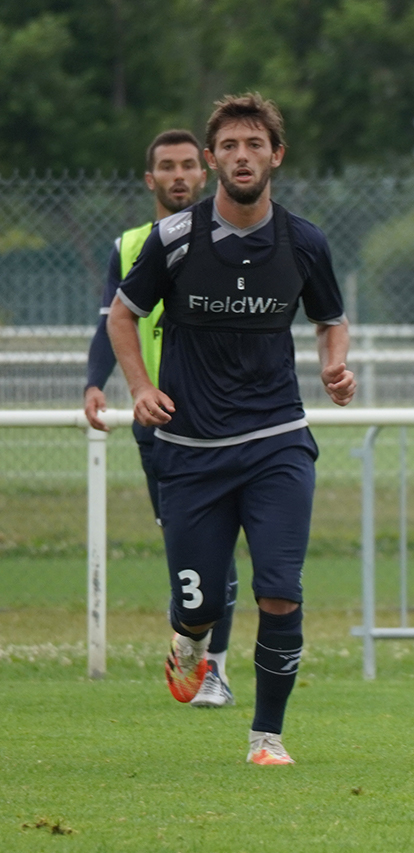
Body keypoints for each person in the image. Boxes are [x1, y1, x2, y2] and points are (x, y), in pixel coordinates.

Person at [108, 93, 356, 765]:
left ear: (276, 156)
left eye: (255, 145)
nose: (242, 156)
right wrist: (140, 388)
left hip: (276, 441)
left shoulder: (304, 242)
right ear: (214, 159)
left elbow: (330, 318)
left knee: (280, 589)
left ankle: (266, 737)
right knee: (202, 605)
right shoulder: (175, 240)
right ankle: (186, 636)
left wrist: (335, 364)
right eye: (230, 146)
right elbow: (122, 317)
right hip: (189, 452)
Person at [84, 130, 242, 708]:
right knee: (188, 556)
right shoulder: (129, 246)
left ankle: (214, 669)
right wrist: (93, 384)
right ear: (151, 181)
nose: (178, 176)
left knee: (221, 552)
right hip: (157, 428)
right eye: (165, 168)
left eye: (186, 166)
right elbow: (111, 318)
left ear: (204, 173)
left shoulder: (228, 240)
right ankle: (193, 642)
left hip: (219, 422)